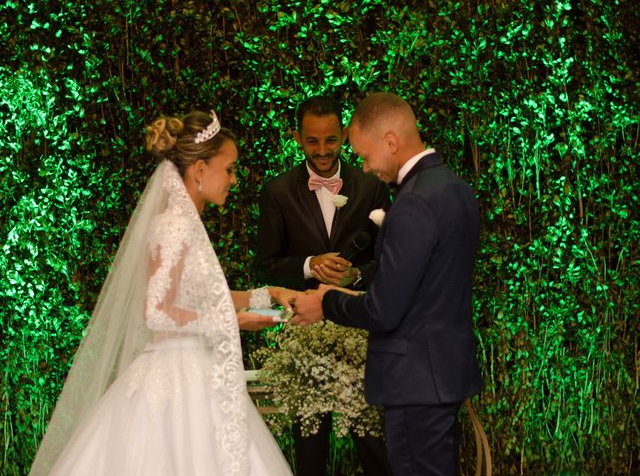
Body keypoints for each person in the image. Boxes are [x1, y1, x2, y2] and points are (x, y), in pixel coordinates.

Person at [29, 110, 295, 476]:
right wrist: (230, 320)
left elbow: (202, 297)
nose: (234, 179)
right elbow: (156, 311)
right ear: (200, 170)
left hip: (194, 367)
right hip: (178, 381)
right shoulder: (173, 226)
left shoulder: (186, 225)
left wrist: (267, 296)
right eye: (229, 168)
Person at [291, 92, 483, 476]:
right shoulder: (455, 188)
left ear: (390, 142)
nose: (366, 167)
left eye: (364, 155)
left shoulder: (413, 202)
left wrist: (327, 303)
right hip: (442, 373)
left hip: (414, 381)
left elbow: (384, 309)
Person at [256, 95, 391, 476]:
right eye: (312, 141)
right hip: (305, 336)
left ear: (344, 135)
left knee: (374, 444)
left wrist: (356, 277)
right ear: (298, 138)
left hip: (359, 333)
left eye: (330, 140)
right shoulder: (277, 192)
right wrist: (309, 266)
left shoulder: (371, 186)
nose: (322, 151)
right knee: (310, 449)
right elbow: (265, 266)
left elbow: (390, 262)